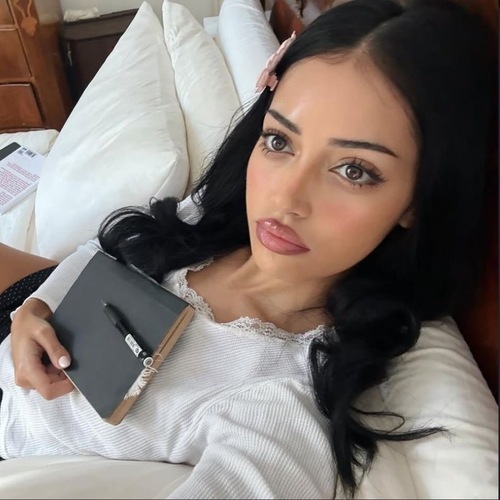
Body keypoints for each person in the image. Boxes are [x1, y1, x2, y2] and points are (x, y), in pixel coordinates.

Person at [0, 0, 496, 498]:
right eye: (280, 141)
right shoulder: (214, 222)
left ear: (419, 200)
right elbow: (102, 251)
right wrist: (38, 307)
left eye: (354, 170)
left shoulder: (279, 403)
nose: (285, 198)